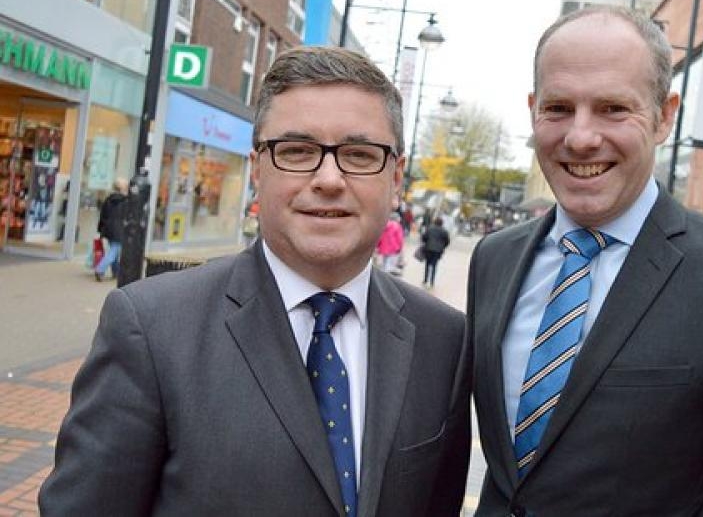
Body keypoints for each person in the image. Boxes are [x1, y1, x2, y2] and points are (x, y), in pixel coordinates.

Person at [40, 46, 471, 516]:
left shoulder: (443, 339)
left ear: (396, 176)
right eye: (297, 151)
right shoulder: (151, 328)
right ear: (257, 169)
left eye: (360, 155)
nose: (329, 179)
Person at [468, 6, 703, 516]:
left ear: (665, 115)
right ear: (533, 110)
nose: (580, 137)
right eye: (559, 108)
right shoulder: (494, 259)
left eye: (613, 108)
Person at [93, 177, 128, 281]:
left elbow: (103, 215)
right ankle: (100, 269)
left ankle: (115, 272)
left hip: (108, 229)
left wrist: (100, 229)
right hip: (119, 230)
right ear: (123, 188)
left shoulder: (108, 199)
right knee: (114, 251)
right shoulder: (125, 201)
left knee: (115, 251)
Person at [421, 216, 450, 289]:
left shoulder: (429, 228)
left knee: (427, 264)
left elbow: (424, 237)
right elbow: (447, 241)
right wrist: (442, 246)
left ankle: (425, 280)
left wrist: (426, 242)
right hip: (438, 251)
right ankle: (432, 281)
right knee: (434, 265)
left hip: (429, 248)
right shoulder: (444, 231)